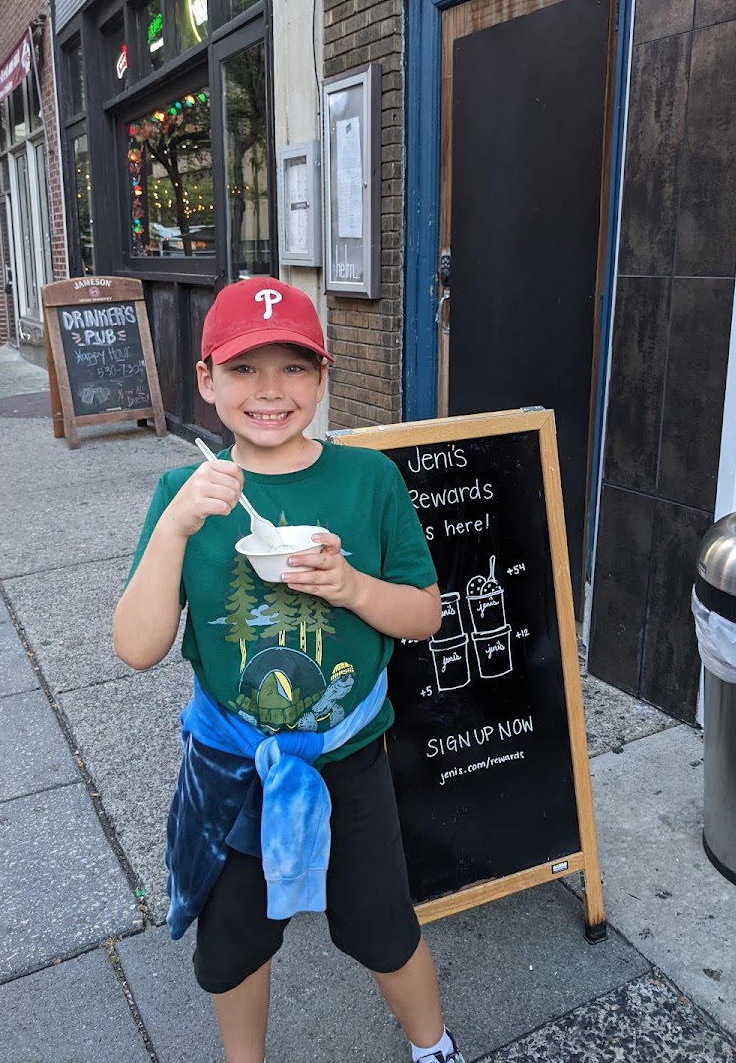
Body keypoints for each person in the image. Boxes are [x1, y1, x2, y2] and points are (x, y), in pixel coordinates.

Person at [113, 276, 465, 1063]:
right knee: (235, 938)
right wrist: (174, 528)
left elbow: (425, 613)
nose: (269, 391)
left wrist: (351, 587)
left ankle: (434, 1047)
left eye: (293, 368)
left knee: (382, 923)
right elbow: (136, 649)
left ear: (323, 377)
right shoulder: (183, 494)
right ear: (206, 381)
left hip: (350, 756)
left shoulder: (367, 480)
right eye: (243, 369)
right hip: (234, 764)